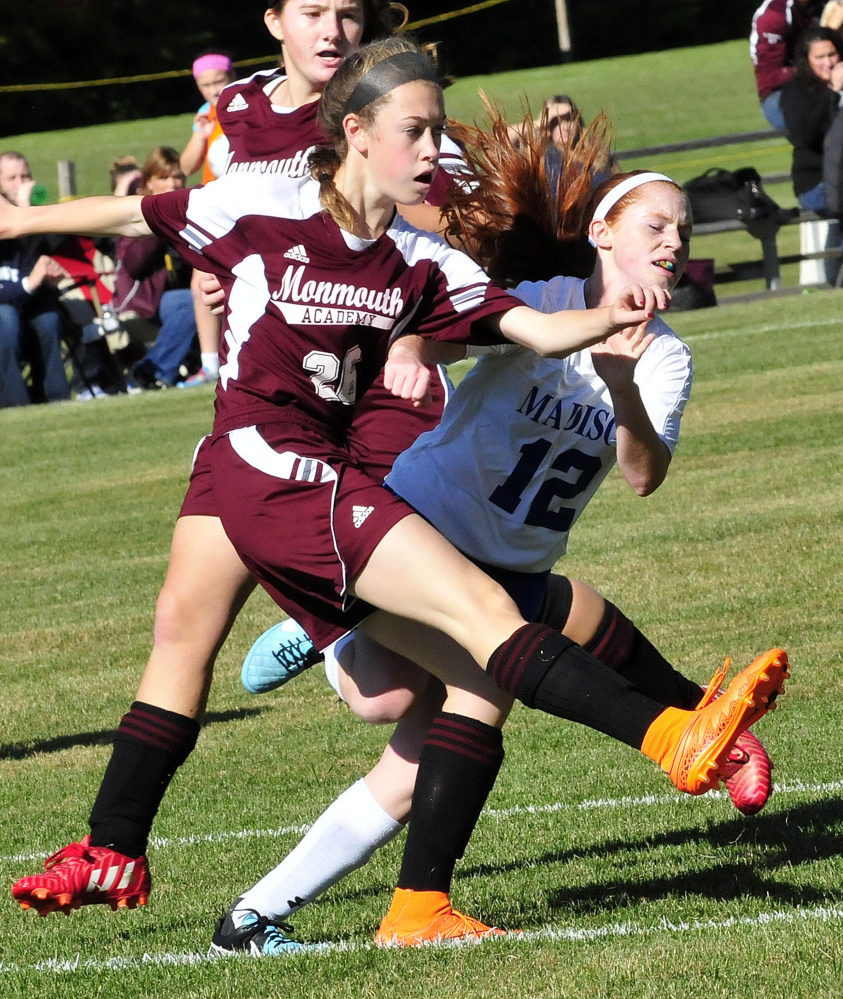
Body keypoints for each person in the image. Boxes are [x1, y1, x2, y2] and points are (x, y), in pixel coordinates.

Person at [5, 36, 789, 944]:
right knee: (483, 619)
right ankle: (675, 735)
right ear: (356, 133)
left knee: (468, 658)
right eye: (415, 131)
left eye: (437, 132)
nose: (432, 151)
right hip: (270, 465)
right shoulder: (266, 198)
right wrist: (20, 225)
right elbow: (142, 213)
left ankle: (126, 851)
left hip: (300, 479)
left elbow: (527, 325)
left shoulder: (421, 260)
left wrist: (603, 321)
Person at [217, 125, 775, 955]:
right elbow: (435, 329)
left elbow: (643, 474)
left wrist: (621, 386)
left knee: (452, 708)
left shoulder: (666, 356)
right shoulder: (549, 296)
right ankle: (684, 729)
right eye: (655, 224)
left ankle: (259, 914)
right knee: (455, 688)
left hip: (511, 565)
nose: (672, 241)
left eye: (683, 231)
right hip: (417, 532)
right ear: (603, 233)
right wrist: (409, 348)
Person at [7, 0, 446, 921]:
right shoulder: (238, 112)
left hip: (348, 423)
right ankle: (111, 846)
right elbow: (186, 214)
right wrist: (23, 224)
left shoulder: (396, 107)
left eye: (349, 12)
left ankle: (331, 636)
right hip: (249, 413)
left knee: (396, 691)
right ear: (274, 19)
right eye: (314, 11)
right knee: (181, 624)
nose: (334, 29)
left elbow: (447, 244)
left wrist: (411, 338)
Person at [112, 147, 198, 390]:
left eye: (178, 177)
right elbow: (134, 264)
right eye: (163, 178)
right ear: (148, 182)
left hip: (178, 301)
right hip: (142, 305)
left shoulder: (192, 211)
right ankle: (148, 372)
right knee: (191, 301)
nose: (172, 184)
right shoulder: (137, 214)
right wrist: (160, 220)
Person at [178, 52, 237, 389]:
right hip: (213, 209)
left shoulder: (248, 102)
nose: (214, 90)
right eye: (206, 85)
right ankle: (210, 363)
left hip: (244, 206)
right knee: (201, 285)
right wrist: (201, 136)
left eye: (219, 81)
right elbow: (185, 168)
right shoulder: (205, 115)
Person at [781, 26, 843, 210]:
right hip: (817, 181)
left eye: (832, 54)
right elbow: (807, 135)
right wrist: (832, 92)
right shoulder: (795, 92)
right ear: (807, 60)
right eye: (819, 57)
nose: (828, 62)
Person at [751, 0, 824, 129]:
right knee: (819, 125)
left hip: (821, 85)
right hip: (780, 93)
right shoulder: (773, 15)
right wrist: (815, 69)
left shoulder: (823, 7)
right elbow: (771, 77)